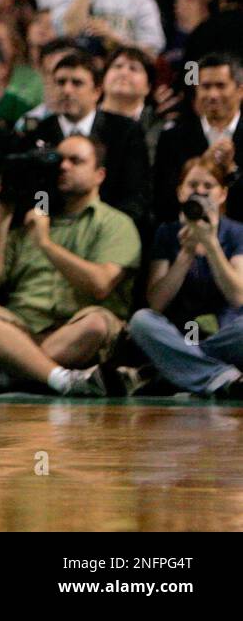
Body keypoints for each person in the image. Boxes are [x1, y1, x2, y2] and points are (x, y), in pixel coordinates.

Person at [0, 135, 140, 396]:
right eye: (59, 161)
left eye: (76, 161)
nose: (64, 167)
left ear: (99, 174)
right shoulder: (30, 220)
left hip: (72, 331)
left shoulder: (115, 223)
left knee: (97, 324)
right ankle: (58, 378)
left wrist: (46, 244)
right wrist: (3, 214)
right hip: (20, 329)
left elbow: (100, 285)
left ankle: (17, 370)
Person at [129, 155, 243, 397]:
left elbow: (238, 298)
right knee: (141, 320)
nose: (199, 193)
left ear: (222, 194)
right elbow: (156, 303)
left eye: (208, 186)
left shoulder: (236, 233)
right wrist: (186, 254)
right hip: (178, 332)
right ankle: (217, 376)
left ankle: (166, 372)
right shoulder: (167, 232)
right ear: (181, 192)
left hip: (227, 332)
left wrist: (211, 244)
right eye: (192, 186)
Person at [32, 52, 152, 229]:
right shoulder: (38, 134)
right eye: (61, 82)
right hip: (50, 229)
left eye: (77, 83)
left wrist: (106, 229)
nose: (67, 90)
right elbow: (35, 195)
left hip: (110, 231)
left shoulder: (125, 132)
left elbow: (136, 196)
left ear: (97, 91)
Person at [153, 52, 243, 224]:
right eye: (206, 86)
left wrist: (232, 170)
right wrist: (201, 165)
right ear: (196, 91)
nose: (213, 95)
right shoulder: (172, 139)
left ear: (240, 91)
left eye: (221, 85)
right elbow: (162, 201)